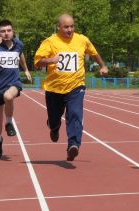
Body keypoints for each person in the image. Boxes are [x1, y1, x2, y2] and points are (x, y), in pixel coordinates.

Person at [34, 13, 107, 161]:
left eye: (72, 26)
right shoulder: (50, 42)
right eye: (66, 27)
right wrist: (50, 60)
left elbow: (94, 53)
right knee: (55, 119)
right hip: (54, 88)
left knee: (74, 113)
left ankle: (73, 145)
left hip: (76, 86)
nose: (70, 29)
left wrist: (103, 65)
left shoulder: (82, 40)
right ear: (58, 27)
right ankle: (54, 127)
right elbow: (38, 62)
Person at [0, 19, 32, 159]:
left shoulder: (18, 44)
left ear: (13, 31)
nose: (6, 33)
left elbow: (21, 54)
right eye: (3, 31)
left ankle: (9, 122)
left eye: (9, 30)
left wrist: (26, 70)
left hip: (13, 83)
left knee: (8, 96)